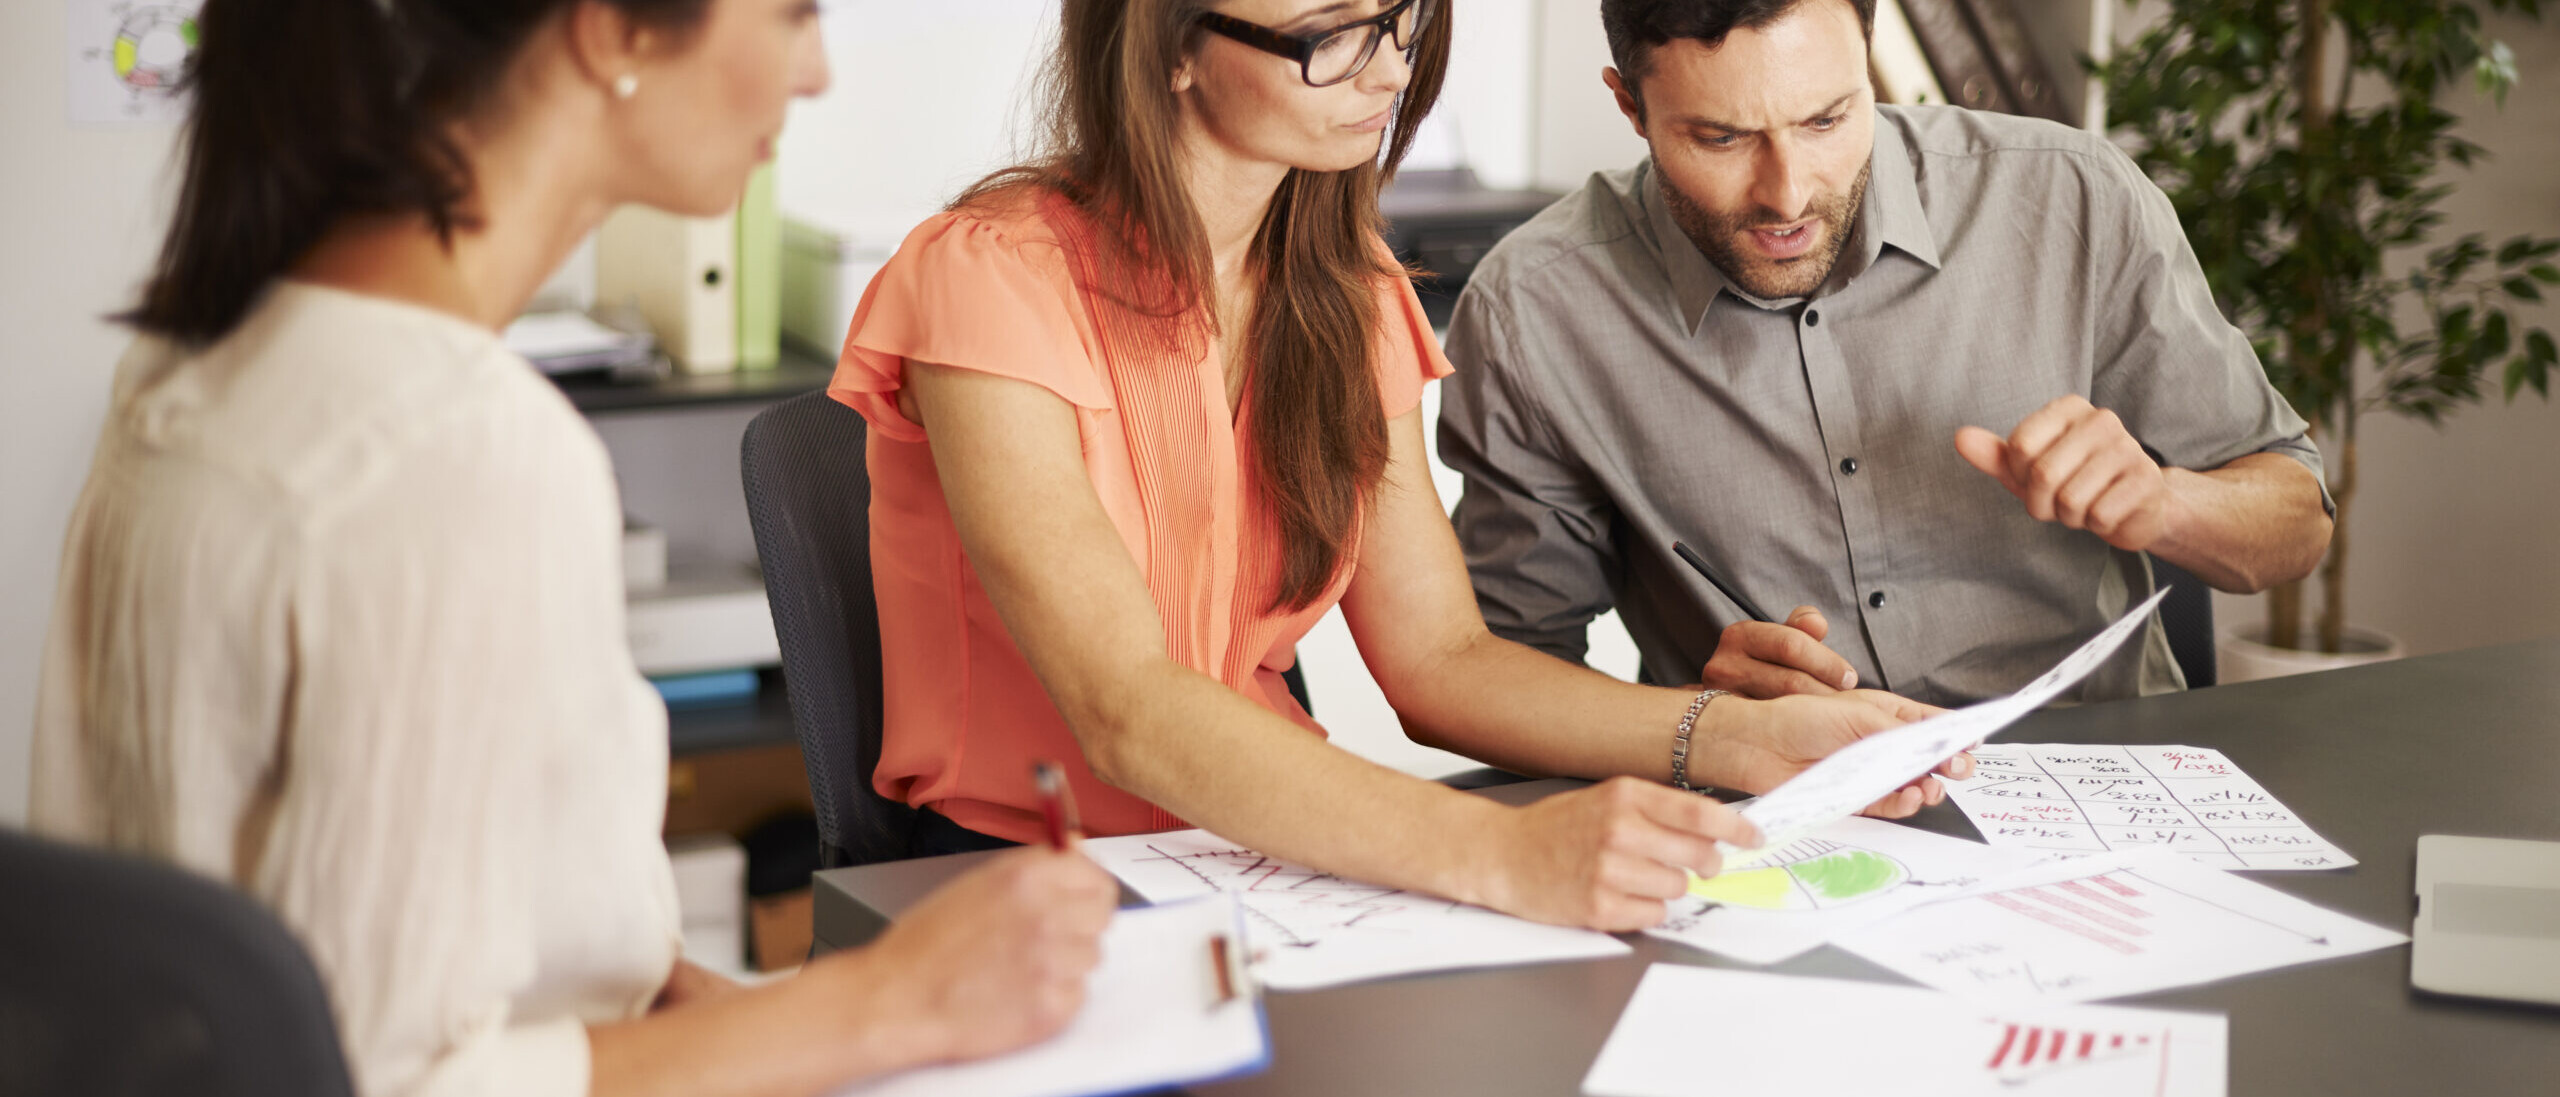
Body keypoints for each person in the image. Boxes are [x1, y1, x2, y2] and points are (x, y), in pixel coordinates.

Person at [30, 2, 1118, 1096]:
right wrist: (890, 999)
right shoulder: (456, 449)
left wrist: (751, 1019)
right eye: (792, 14)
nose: (817, 72)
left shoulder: (192, 370)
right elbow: (398, 1078)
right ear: (614, 31)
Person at [831, 0, 1963, 933]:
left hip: (1263, 859)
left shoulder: (1345, 289)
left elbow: (1441, 660)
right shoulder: (990, 279)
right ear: (1171, 44)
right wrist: (1504, 848)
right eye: (1335, 34)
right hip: (1010, 878)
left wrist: (1736, 735)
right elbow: (1126, 710)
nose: (1388, 70)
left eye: (1404, 22)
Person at [1438, 0, 2335, 708]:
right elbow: (1493, 673)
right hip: (1771, 826)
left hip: (2087, 790)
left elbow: (2298, 526)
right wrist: (1694, 726)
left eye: (1828, 119)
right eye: (1721, 138)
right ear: (1630, 104)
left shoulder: (2073, 199)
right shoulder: (1536, 311)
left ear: (1869, 58)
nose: (1787, 192)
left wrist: (2170, 505)